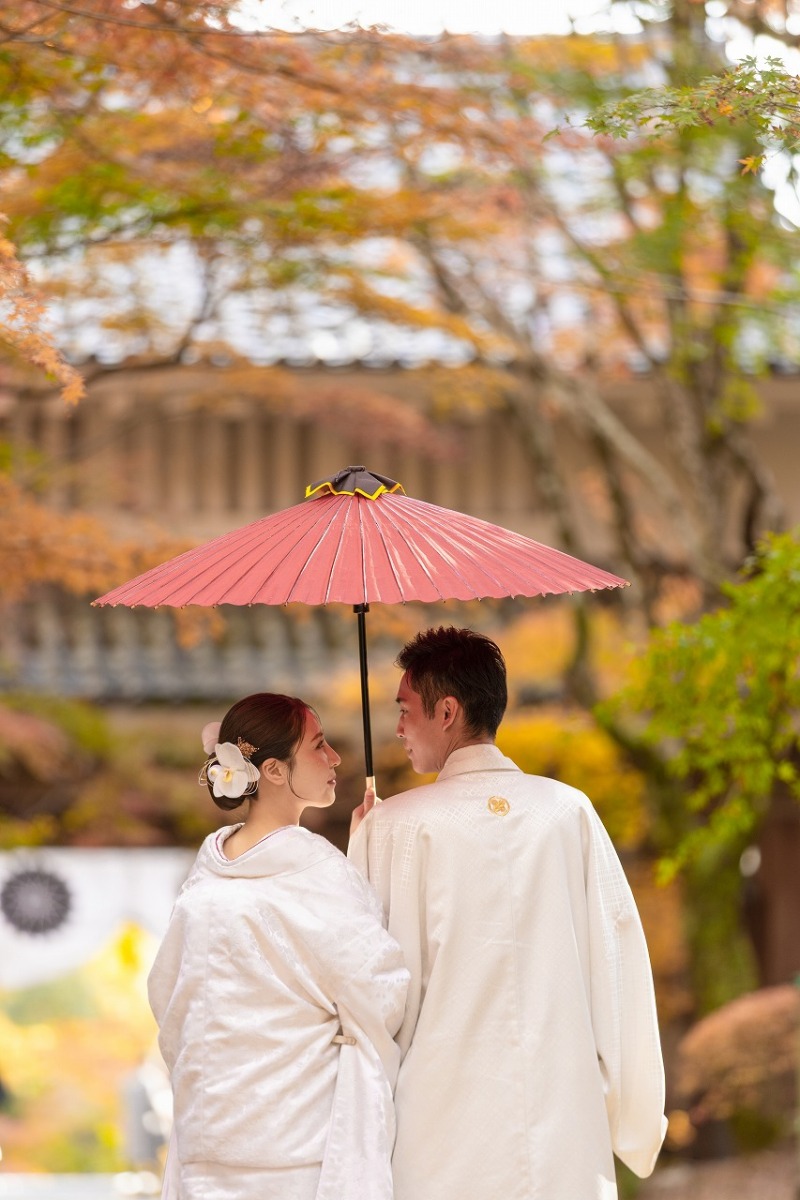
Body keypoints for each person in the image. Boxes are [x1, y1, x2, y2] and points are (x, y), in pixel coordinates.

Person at [349, 627, 667, 1200]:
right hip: (562, 1116)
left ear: (447, 711)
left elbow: (366, 992)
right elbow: (617, 964)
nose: (396, 727)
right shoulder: (568, 812)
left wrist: (364, 846)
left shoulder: (394, 826)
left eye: (405, 709)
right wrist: (634, 1119)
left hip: (437, 1125)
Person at [148, 692, 409, 1200]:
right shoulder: (316, 871)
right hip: (297, 1145)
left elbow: (170, 1002)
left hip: (211, 1138)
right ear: (272, 770)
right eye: (319, 745)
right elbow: (380, 992)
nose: (335, 758)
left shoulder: (203, 884)